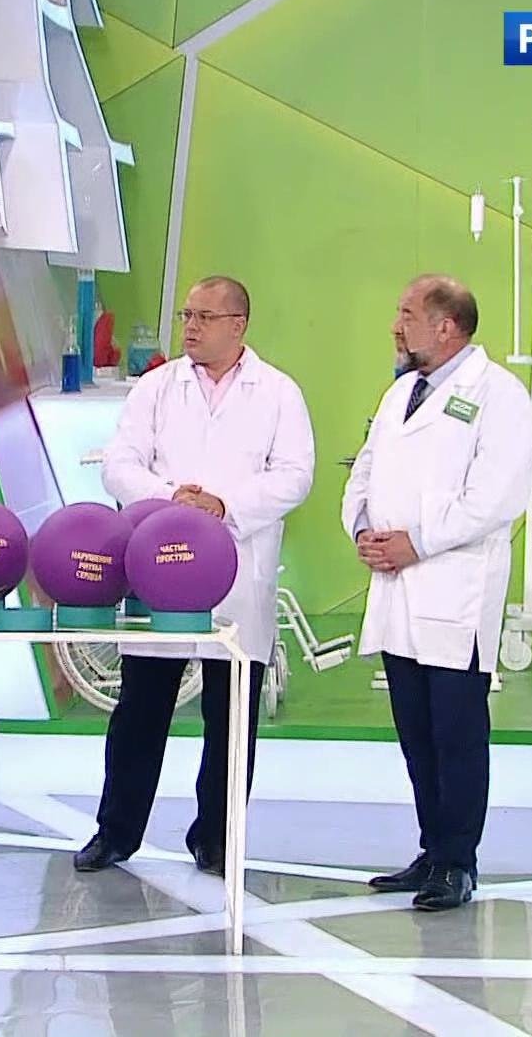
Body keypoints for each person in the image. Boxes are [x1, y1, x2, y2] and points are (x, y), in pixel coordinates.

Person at [77, 274, 315, 875]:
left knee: (230, 717)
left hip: (238, 570)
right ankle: (116, 831)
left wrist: (224, 506)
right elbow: (119, 464)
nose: (190, 327)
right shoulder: (157, 388)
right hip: (160, 569)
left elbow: (295, 475)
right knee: (140, 711)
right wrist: (170, 498)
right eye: (187, 315)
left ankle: (216, 837)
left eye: (205, 317)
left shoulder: (278, 393)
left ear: (238, 325)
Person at [341, 273, 532, 911]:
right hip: (396, 589)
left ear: (445, 326)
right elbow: (365, 469)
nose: (396, 326)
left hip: (455, 590)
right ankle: (431, 849)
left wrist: (417, 542)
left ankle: (457, 862)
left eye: (407, 314)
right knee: (415, 731)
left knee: (456, 733)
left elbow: (496, 498)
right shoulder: (401, 392)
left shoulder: (498, 395)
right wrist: (363, 529)